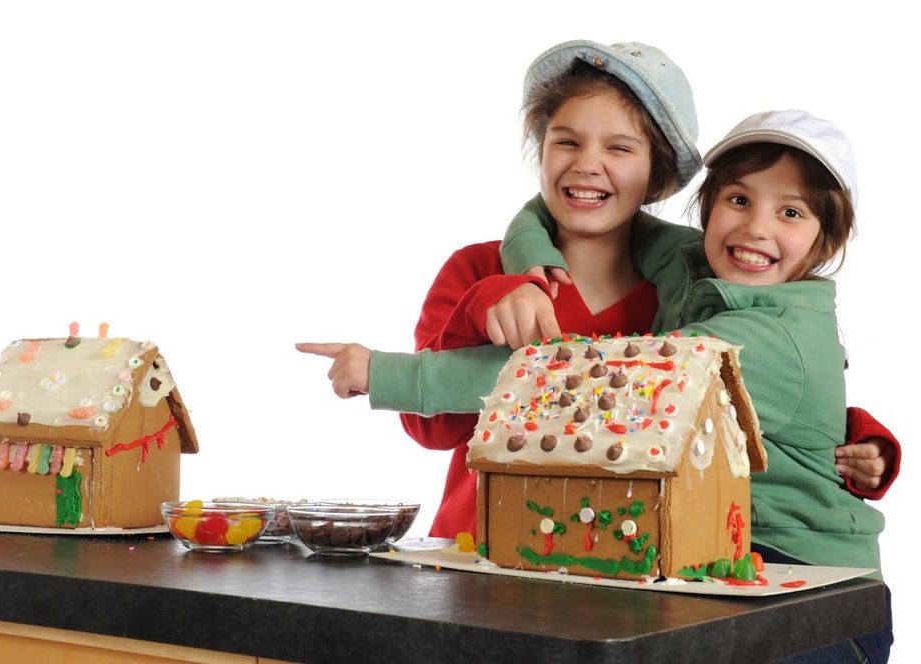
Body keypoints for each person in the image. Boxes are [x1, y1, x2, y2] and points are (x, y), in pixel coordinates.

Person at [298, 41, 899, 539]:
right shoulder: (477, 269)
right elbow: (431, 430)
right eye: (567, 141)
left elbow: (758, 379)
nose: (588, 164)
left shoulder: (694, 281)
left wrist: (854, 437)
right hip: (481, 550)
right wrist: (496, 294)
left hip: (626, 564)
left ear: (658, 173)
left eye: (619, 147)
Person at [500, 108, 893, 662]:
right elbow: (573, 210)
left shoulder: (758, 334)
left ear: (824, 241)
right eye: (738, 199)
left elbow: (584, 381)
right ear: (707, 209)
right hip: (710, 560)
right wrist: (532, 261)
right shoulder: (694, 265)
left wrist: (381, 373)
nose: (757, 226)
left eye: (790, 211)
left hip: (807, 587)